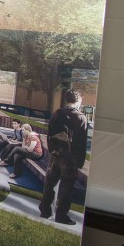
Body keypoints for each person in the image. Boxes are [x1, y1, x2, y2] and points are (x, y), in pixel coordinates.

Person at [39, 89, 89, 225]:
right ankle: (61, 216)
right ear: (78, 100)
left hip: (56, 155)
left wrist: (52, 150)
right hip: (70, 159)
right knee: (66, 188)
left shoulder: (57, 113)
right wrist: (79, 161)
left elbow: (49, 133)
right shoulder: (81, 118)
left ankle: (45, 210)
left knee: (49, 184)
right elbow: (81, 142)